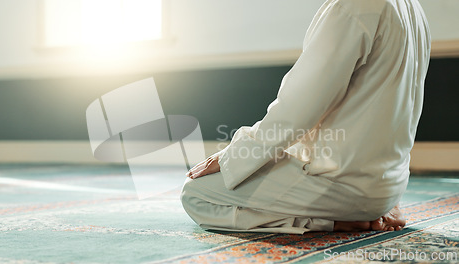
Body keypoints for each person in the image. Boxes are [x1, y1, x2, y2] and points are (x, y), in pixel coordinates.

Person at [181, 0, 431, 234]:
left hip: (345, 184)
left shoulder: (353, 6)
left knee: (196, 194)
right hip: (390, 187)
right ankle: (363, 210)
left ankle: (336, 221)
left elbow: (299, 108)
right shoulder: (412, 8)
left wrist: (233, 156)